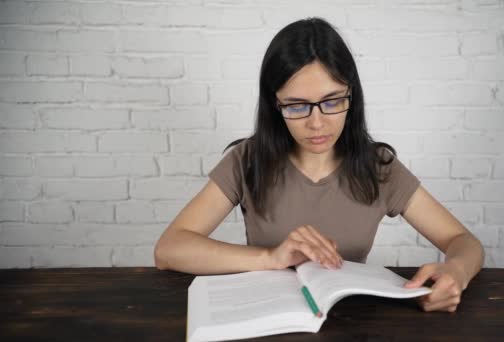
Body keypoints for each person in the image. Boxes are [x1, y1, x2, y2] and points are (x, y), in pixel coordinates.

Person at [154, 17, 485, 313]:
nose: (317, 123)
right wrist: (270, 258)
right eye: (297, 106)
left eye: (331, 101)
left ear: (350, 97)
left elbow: (462, 240)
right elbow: (169, 249)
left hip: (352, 321)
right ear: (275, 104)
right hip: (266, 316)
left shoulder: (379, 168)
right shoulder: (247, 161)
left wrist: (456, 271)